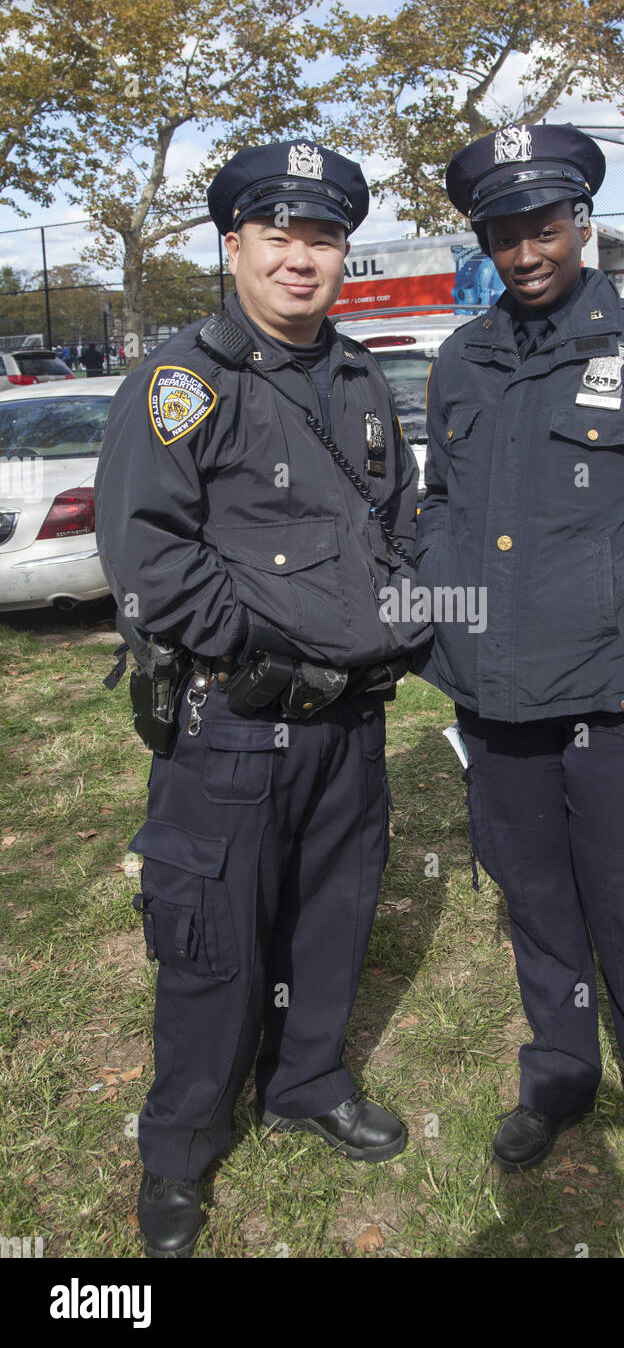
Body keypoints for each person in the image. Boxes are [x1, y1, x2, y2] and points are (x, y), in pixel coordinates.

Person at [414, 123, 624, 1209]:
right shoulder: (459, 359)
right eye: (502, 231)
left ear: (581, 224)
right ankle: (560, 1076)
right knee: (538, 910)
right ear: (484, 240)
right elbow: (440, 512)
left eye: (544, 224)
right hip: (502, 709)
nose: (526, 249)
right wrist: (445, 640)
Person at [94, 140, 431, 1257]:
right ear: (231, 246)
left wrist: (400, 620)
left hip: (351, 723)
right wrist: (271, 651)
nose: (301, 258)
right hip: (233, 724)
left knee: (332, 918)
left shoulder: (358, 376)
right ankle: (179, 1150)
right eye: (277, 235)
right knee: (213, 945)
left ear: (344, 252)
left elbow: (396, 525)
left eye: (322, 237)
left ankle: (307, 1079)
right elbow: (151, 561)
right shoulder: (181, 382)